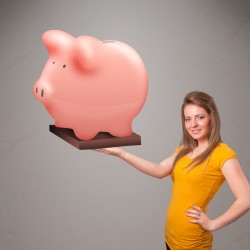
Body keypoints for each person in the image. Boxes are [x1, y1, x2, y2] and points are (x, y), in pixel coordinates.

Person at [95, 91, 250, 250]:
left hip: (192, 243)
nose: (193, 124)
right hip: (171, 238)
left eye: (200, 117)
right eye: (188, 119)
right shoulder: (186, 148)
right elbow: (160, 170)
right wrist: (122, 153)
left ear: (212, 117)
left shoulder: (223, 154)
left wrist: (212, 224)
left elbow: (246, 199)